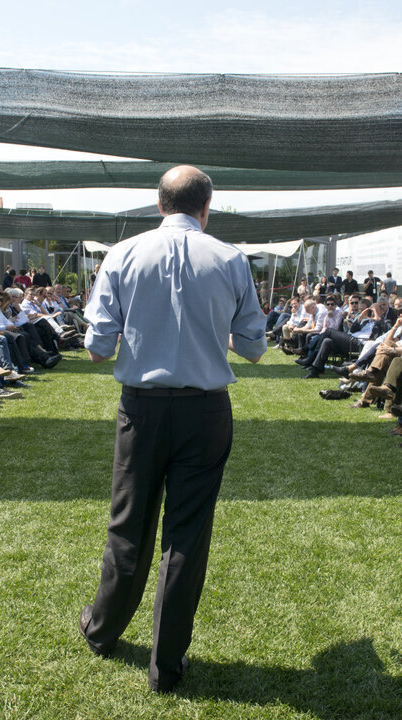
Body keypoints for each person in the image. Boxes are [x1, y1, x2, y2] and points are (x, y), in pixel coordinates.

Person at [78, 165, 266, 694]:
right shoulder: (231, 259)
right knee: (187, 536)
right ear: (206, 208)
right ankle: (167, 665)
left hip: (141, 409)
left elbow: (97, 349)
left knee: (128, 524)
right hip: (206, 410)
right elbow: (252, 347)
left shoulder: (123, 254)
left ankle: (101, 632)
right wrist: (211, 332)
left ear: (160, 205)